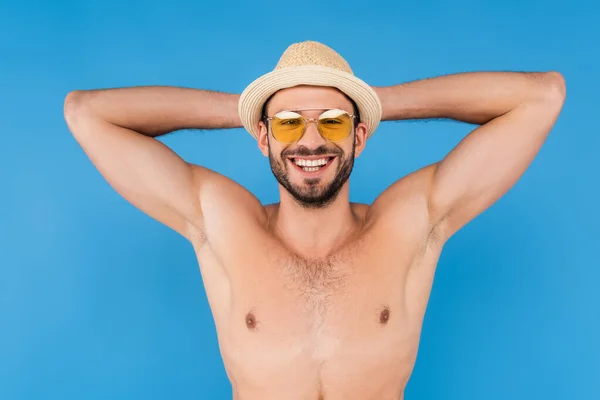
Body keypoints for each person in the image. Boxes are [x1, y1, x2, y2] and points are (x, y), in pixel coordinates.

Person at [63, 41, 566, 400]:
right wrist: (249, 109)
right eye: (286, 123)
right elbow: (87, 113)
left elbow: (542, 96)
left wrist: (372, 100)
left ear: (359, 136)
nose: (310, 141)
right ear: (263, 138)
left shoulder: (410, 223)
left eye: (332, 122)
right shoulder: (221, 222)